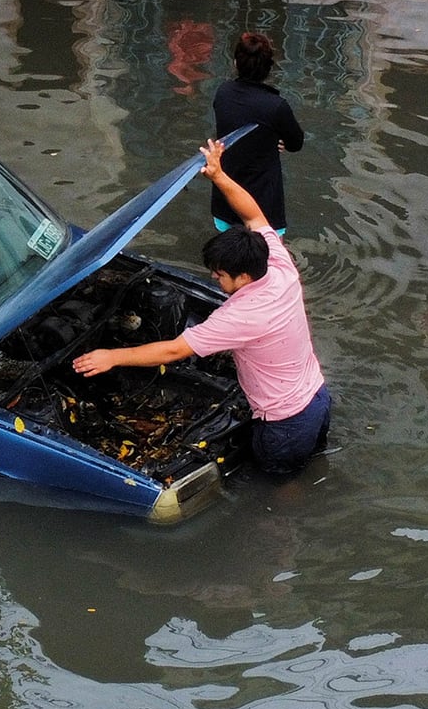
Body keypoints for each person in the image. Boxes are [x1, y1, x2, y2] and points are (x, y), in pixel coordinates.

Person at [72, 139, 332, 477]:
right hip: (317, 398)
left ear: (243, 276)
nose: (213, 278)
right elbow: (253, 215)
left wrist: (112, 356)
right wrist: (218, 175)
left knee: (281, 493)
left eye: (220, 275)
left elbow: (173, 350)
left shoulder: (241, 316)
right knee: (313, 465)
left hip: (284, 424)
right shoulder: (278, 265)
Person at [211, 31, 305, 234]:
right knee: (269, 259)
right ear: (269, 68)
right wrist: (282, 142)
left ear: (236, 63)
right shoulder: (276, 106)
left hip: (226, 198)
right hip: (263, 204)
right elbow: (296, 143)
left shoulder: (223, 93)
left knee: (230, 257)